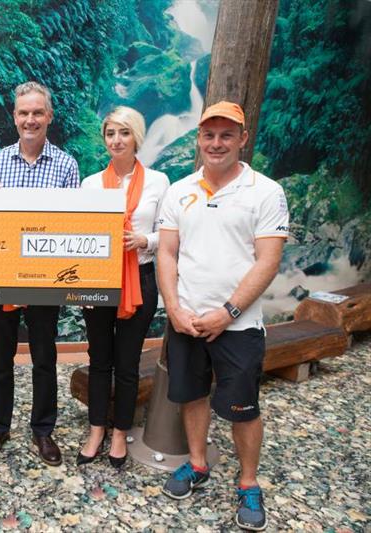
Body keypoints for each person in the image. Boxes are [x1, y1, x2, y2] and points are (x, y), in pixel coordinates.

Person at [156, 101, 288, 531]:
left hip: (239, 324)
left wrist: (229, 312)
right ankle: (196, 464)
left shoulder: (265, 191)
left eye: (226, 135)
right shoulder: (179, 190)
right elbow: (167, 252)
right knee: (191, 395)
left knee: (243, 408)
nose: (217, 143)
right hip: (187, 319)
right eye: (209, 134)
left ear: (242, 139)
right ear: (199, 138)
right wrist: (173, 307)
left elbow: (268, 261)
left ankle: (248, 482)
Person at [0, 82, 79, 466]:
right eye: (24, 113)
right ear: (14, 117)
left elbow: (71, 227)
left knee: (43, 358)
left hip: (45, 279)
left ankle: (43, 430)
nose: (30, 119)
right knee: (0, 357)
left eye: (38, 112)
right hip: (1, 277)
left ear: (49, 116)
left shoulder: (67, 166)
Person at [77, 106, 169, 467]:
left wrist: (145, 240)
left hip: (140, 279)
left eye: (124, 133)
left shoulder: (159, 182)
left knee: (127, 364)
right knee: (99, 360)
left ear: (137, 138)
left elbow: (171, 232)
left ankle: (119, 433)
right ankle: (96, 428)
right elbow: (80, 235)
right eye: (111, 133)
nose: (117, 140)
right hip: (98, 280)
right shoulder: (91, 184)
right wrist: (80, 286)